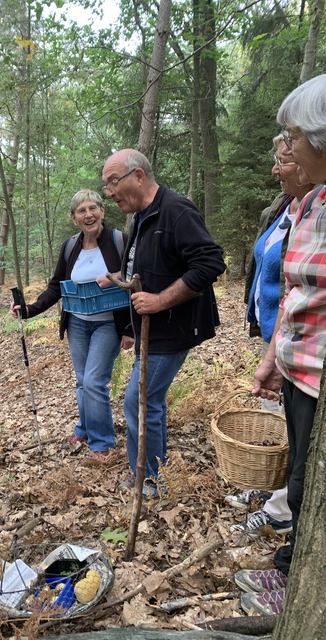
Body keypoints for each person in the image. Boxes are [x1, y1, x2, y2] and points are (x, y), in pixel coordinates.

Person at [234, 73, 326, 615]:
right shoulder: (310, 204)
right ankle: (292, 566)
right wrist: (273, 357)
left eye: (293, 137)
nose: (284, 150)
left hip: (317, 376)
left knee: (306, 487)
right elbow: (294, 288)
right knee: (300, 480)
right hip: (297, 366)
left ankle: (294, 580)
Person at [101, 149, 226, 497]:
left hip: (173, 328)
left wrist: (159, 301)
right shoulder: (143, 215)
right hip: (150, 329)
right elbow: (152, 266)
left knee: (139, 400)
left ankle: (151, 481)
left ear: (138, 176)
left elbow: (210, 263)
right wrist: (120, 280)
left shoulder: (176, 210)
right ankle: (145, 476)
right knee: (146, 400)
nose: (109, 192)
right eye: (106, 185)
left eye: (114, 182)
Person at [226, 134, 314, 539]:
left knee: (299, 428)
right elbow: (264, 266)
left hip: (303, 336)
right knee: (282, 417)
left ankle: (281, 507)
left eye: (284, 160)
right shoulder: (281, 209)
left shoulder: (315, 211)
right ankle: (274, 487)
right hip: (276, 326)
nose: (276, 169)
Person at [11, 189, 130, 458]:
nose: (88, 215)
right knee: (81, 381)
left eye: (93, 208)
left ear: (102, 211)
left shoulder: (119, 241)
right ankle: (85, 429)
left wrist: (129, 328)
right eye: (81, 211)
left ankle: (102, 444)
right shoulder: (70, 246)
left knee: (94, 381)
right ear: (74, 218)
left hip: (108, 323)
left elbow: (137, 279)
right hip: (77, 322)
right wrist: (28, 309)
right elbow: (57, 287)